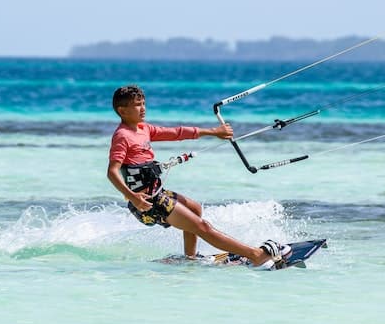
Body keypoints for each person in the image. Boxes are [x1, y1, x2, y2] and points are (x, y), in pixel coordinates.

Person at [106, 85, 288, 269]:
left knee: (195, 208)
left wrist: (214, 132)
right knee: (203, 227)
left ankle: (190, 258)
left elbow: (177, 133)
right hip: (148, 203)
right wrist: (133, 197)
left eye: (144, 103)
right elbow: (112, 172)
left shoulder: (143, 129)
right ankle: (256, 255)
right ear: (122, 110)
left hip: (157, 193)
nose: (143, 108)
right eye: (138, 105)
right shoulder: (123, 136)